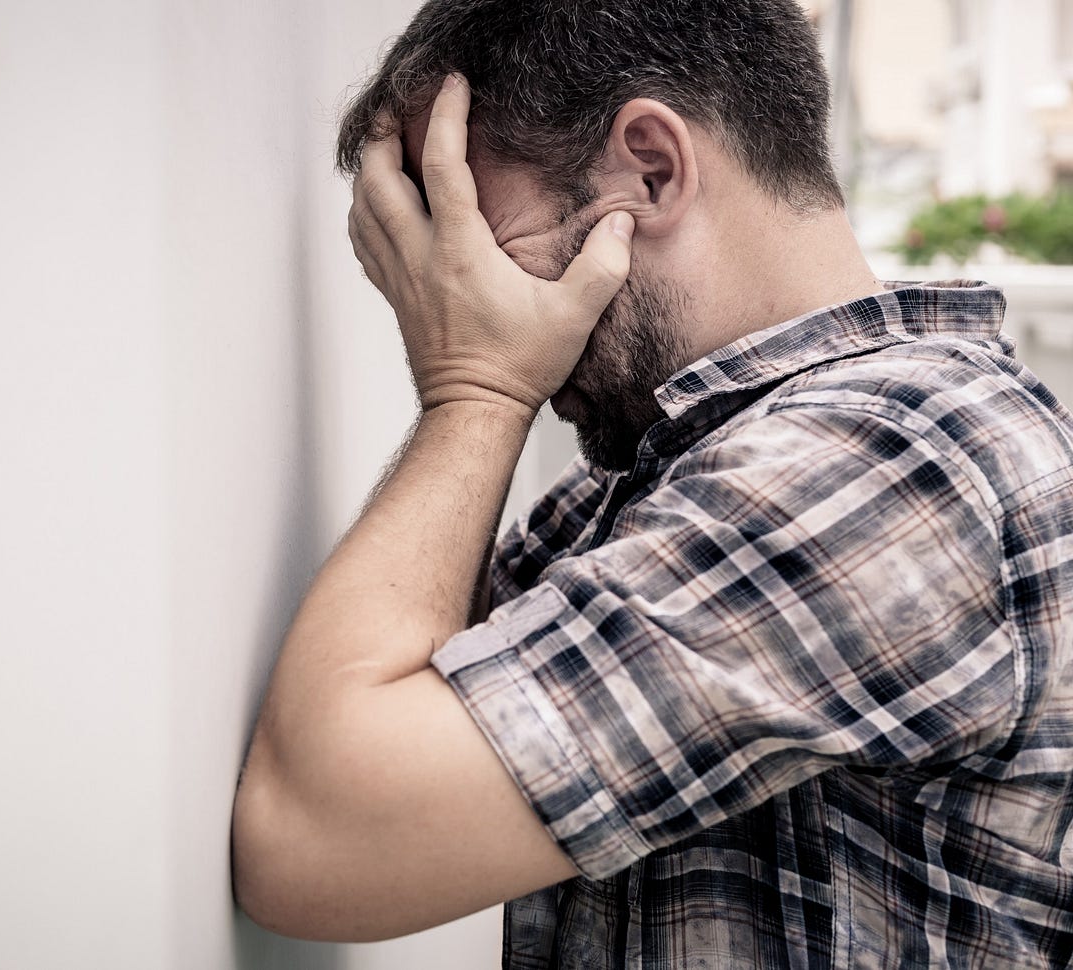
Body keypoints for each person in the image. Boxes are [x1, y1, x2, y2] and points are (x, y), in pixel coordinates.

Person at [231, 1, 1073, 965]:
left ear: (652, 168)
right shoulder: (642, 494)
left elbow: (316, 838)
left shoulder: (896, 462)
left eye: (482, 245)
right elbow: (403, 709)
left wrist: (476, 389)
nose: (465, 298)